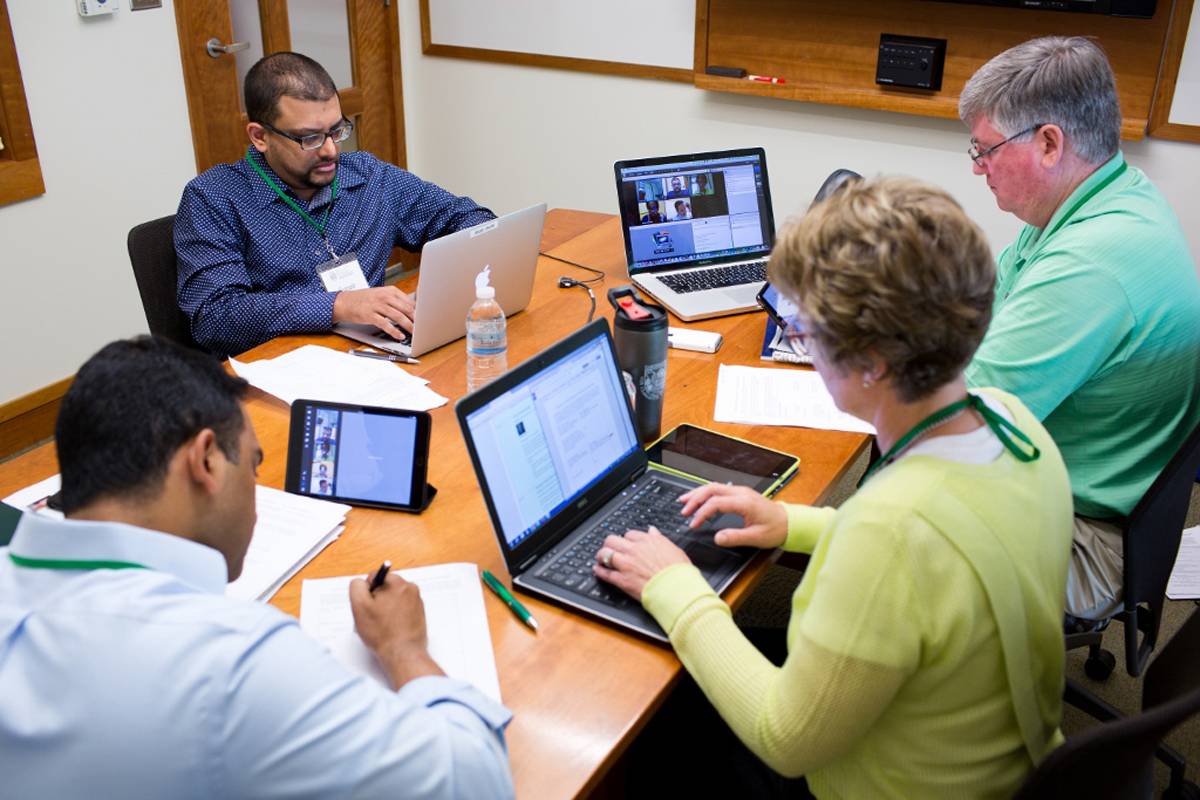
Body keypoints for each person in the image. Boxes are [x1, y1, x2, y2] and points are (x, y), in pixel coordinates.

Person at [595, 177, 1074, 798]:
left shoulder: (889, 532)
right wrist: (789, 523)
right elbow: (946, 541)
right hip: (998, 760)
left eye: (806, 331)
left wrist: (675, 589)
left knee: (648, 714)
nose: (802, 344)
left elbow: (784, 740)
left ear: (872, 362)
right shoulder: (1015, 423)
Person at [0, 337, 514, 799]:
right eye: (252, 465)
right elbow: (476, 780)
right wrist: (404, 649)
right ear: (205, 461)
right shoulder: (232, 662)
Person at [958, 36, 1200, 623]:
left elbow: (958, 429)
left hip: (1085, 538)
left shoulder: (1091, 263)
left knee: (873, 524)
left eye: (986, 150)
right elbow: (990, 305)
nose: (978, 167)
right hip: (1075, 487)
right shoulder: (1107, 196)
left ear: (1048, 143)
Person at [175, 52, 495, 356]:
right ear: (260, 136)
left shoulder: (369, 177)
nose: (330, 150)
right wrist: (338, 305)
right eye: (310, 138)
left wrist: (443, 282)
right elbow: (215, 317)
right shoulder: (213, 198)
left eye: (336, 131)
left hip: (371, 353)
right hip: (276, 369)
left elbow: (470, 219)